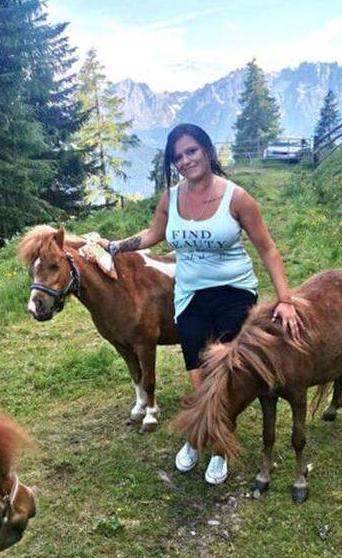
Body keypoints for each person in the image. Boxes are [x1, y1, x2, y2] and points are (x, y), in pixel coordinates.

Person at [108, 123, 303, 485]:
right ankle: (201, 435)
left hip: (234, 293)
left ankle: (216, 449)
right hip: (189, 296)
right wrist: (118, 245)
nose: (185, 161)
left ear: (207, 151)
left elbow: (268, 249)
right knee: (199, 380)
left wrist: (285, 300)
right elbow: (154, 234)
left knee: (224, 378)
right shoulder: (170, 199)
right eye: (178, 156)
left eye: (191, 152)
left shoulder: (238, 199)